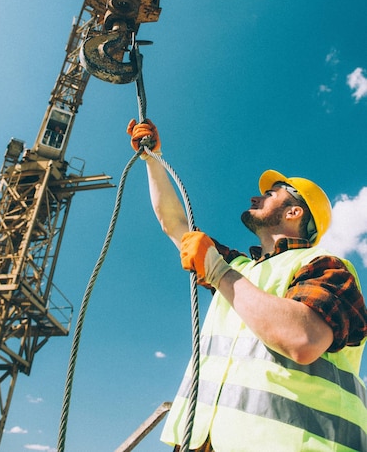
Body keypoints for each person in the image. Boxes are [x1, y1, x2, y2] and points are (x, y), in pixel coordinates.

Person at [127, 119, 367, 452]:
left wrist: (218, 272)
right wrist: (152, 158)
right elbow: (175, 223)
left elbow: (304, 339)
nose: (257, 196)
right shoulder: (240, 269)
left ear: (294, 211)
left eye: (271, 194)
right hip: (203, 444)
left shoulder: (325, 267)